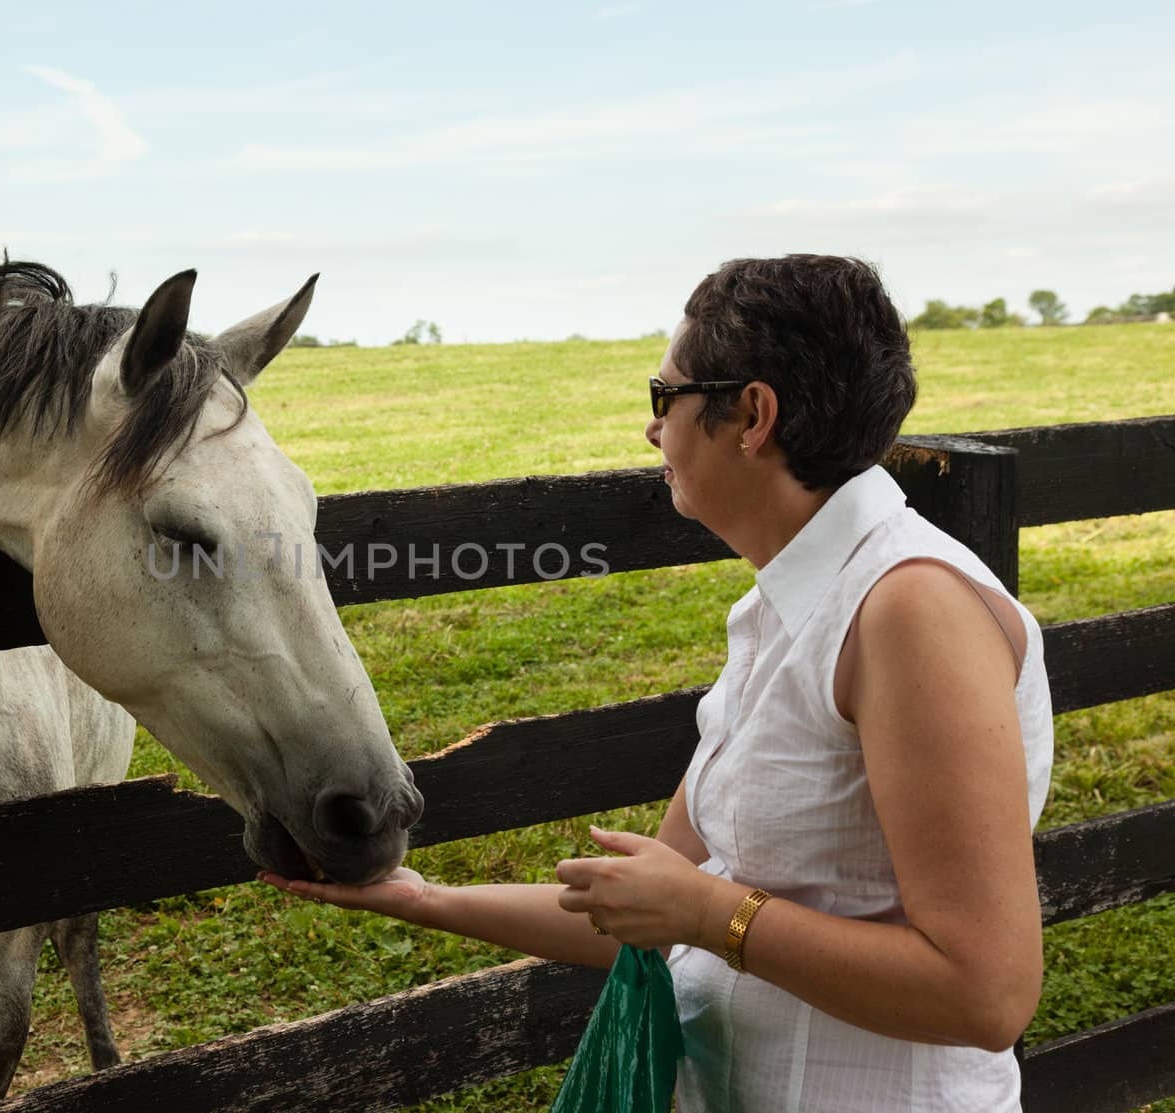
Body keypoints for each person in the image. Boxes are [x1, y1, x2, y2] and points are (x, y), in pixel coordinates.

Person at [261, 254, 1054, 1111]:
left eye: (662, 396)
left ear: (752, 414)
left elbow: (986, 991)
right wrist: (422, 898)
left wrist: (714, 915)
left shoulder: (909, 611)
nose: (651, 431)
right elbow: (647, 903)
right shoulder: (787, 606)